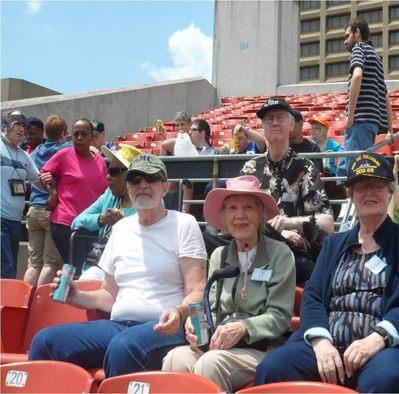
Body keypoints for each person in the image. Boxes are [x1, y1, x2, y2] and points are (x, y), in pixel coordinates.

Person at [255, 152, 399, 392]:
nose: (368, 192)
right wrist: (320, 343)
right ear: (350, 195)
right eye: (360, 187)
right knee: (273, 368)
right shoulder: (334, 243)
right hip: (328, 340)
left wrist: (377, 339)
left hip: (383, 346)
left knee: (388, 380)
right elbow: (313, 296)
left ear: (390, 192)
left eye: (376, 185)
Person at [29, 154, 208, 378]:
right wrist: (77, 296)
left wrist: (179, 313)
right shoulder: (122, 228)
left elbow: (197, 291)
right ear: (128, 187)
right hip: (119, 325)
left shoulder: (184, 224)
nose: (142, 185)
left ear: (165, 188)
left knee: (122, 347)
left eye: (150, 179)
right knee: (45, 341)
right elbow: (109, 295)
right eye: (135, 180)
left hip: (166, 327)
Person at [162, 175, 296, 392]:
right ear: (224, 217)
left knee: (210, 364)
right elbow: (210, 307)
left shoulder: (280, 254)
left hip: (262, 347)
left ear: (261, 214)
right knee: (174, 358)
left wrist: (243, 327)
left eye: (248, 208)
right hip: (219, 344)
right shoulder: (219, 255)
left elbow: (280, 317)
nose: (240, 216)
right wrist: (195, 324)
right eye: (232, 208)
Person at [241, 98, 334, 285]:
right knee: (209, 242)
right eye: (269, 119)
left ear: (291, 124)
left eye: (280, 117)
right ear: (263, 127)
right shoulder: (250, 168)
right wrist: (275, 231)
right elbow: (237, 215)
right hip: (254, 245)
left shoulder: (305, 168)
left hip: (291, 252)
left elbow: (327, 223)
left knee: (304, 266)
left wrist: (286, 224)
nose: (274, 122)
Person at [39, 118, 108, 272]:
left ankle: (66, 295)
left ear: (92, 137)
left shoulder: (100, 161)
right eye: (76, 134)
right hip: (66, 223)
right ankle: (61, 295)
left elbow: (105, 191)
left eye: (84, 134)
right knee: (75, 268)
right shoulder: (63, 155)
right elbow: (42, 176)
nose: (79, 138)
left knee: (86, 269)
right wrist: (53, 192)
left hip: (91, 225)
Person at [71, 144, 142, 280]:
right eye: (108, 170)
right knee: (87, 281)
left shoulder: (147, 201)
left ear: (130, 176)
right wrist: (102, 219)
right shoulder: (110, 195)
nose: (108, 176)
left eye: (114, 172)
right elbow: (76, 222)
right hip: (101, 265)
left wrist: (124, 225)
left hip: (132, 267)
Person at [337, 17, 393, 178]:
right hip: (368, 123)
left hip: (360, 122)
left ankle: (353, 202)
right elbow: (385, 95)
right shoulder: (376, 57)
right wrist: (390, 129)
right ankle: (349, 201)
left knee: (354, 171)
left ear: (357, 33)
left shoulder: (359, 49)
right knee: (343, 167)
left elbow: (357, 76)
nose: (344, 41)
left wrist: (351, 115)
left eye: (347, 36)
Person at [23, 115, 69, 286]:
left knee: (34, 263)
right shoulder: (66, 149)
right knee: (50, 262)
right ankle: (39, 305)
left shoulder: (35, 152)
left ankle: (25, 302)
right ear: (63, 133)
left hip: (33, 209)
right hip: (52, 210)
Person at [1, 111, 40, 278]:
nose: (22, 129)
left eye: (24, 126)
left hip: (15, 220)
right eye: (17, 124)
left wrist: (53, 191)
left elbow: (38, 180)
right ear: (5, 126)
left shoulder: (24, 155)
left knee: (10, 266)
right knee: (6, 267)